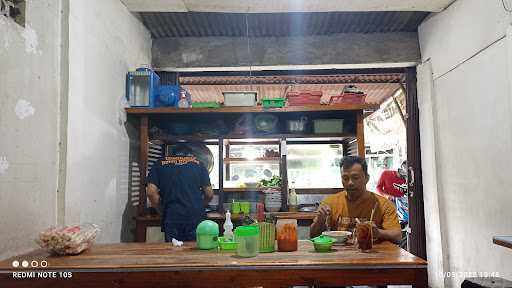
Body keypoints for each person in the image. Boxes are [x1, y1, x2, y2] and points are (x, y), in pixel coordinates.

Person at [310, 156, 401, 243]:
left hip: (372, 254)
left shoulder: (383, 204)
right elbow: (313, 236)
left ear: (367, 178)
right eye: (345, 178)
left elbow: (397, 236)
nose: (350, 183)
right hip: (339, 256)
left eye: (355, 178)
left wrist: (378, 232)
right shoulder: (330, 202)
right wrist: (320, 222)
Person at [146, 143, 214, 242]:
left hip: (172, 216)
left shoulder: (159, 163)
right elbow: (209, 194)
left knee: (173, 251)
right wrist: (199, 205)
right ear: (190, 154)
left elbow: (151, 192)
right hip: (195, 217)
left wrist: (160, 210)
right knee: (195, 252)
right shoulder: (199, 164)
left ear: (172, 153)